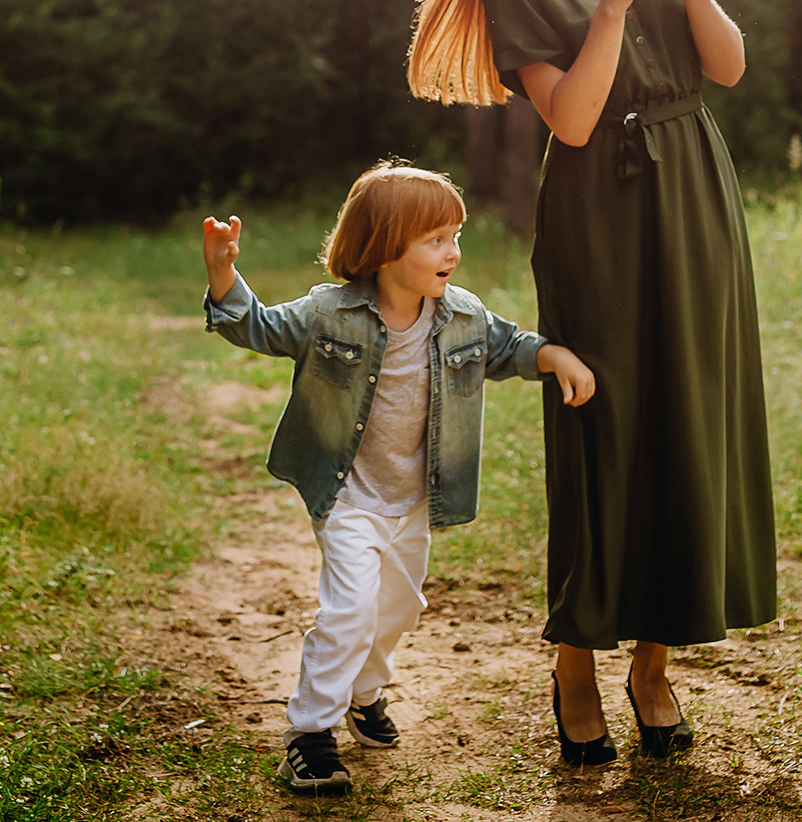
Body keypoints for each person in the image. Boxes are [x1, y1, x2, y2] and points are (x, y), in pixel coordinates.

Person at [408, 0, 775, 764]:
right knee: (605, 423)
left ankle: (653, 664)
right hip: (598, 203)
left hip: (694, 188)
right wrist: (612, 4)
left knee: (684, 412)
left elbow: (727, 66)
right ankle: (576, 659)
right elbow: (568, 118)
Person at [200, 161, 595, 796]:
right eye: (436, 239)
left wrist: (553, 355)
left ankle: (364, 692)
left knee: (400, 609)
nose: (454, 252)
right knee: (352, 609)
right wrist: (224, 274)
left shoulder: (461, 316)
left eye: (456, 235)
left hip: (414, 499)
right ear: (384, 248)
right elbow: (259, 326)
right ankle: (309, 734)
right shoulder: (329, 313)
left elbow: (507, 346)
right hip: (348, 495)